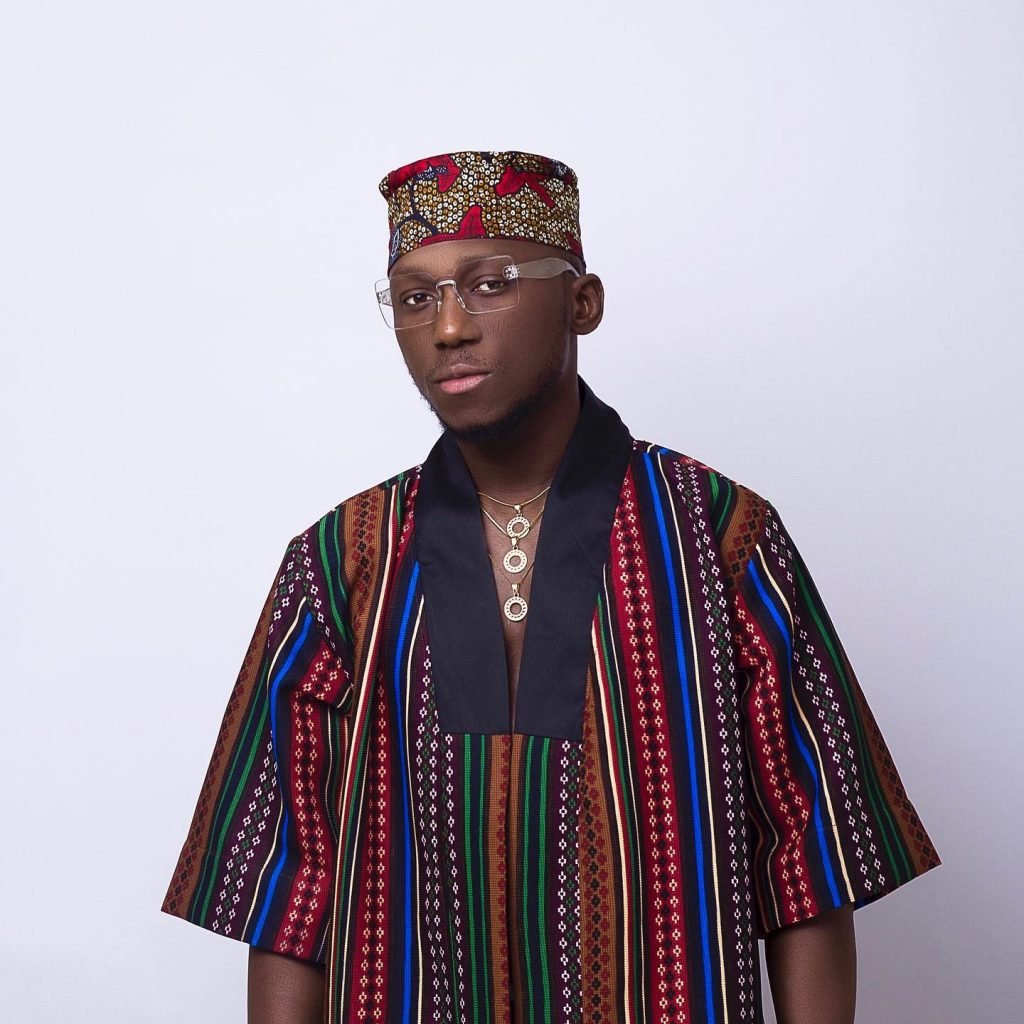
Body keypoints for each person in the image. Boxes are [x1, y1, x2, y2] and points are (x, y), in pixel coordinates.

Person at [162, 150, 939, 1024]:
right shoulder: (341, 562)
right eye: (414, 298)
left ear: (582, 302)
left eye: (489, 284)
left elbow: (809, 862)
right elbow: (286, 889)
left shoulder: (721, 533)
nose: (447, 327)